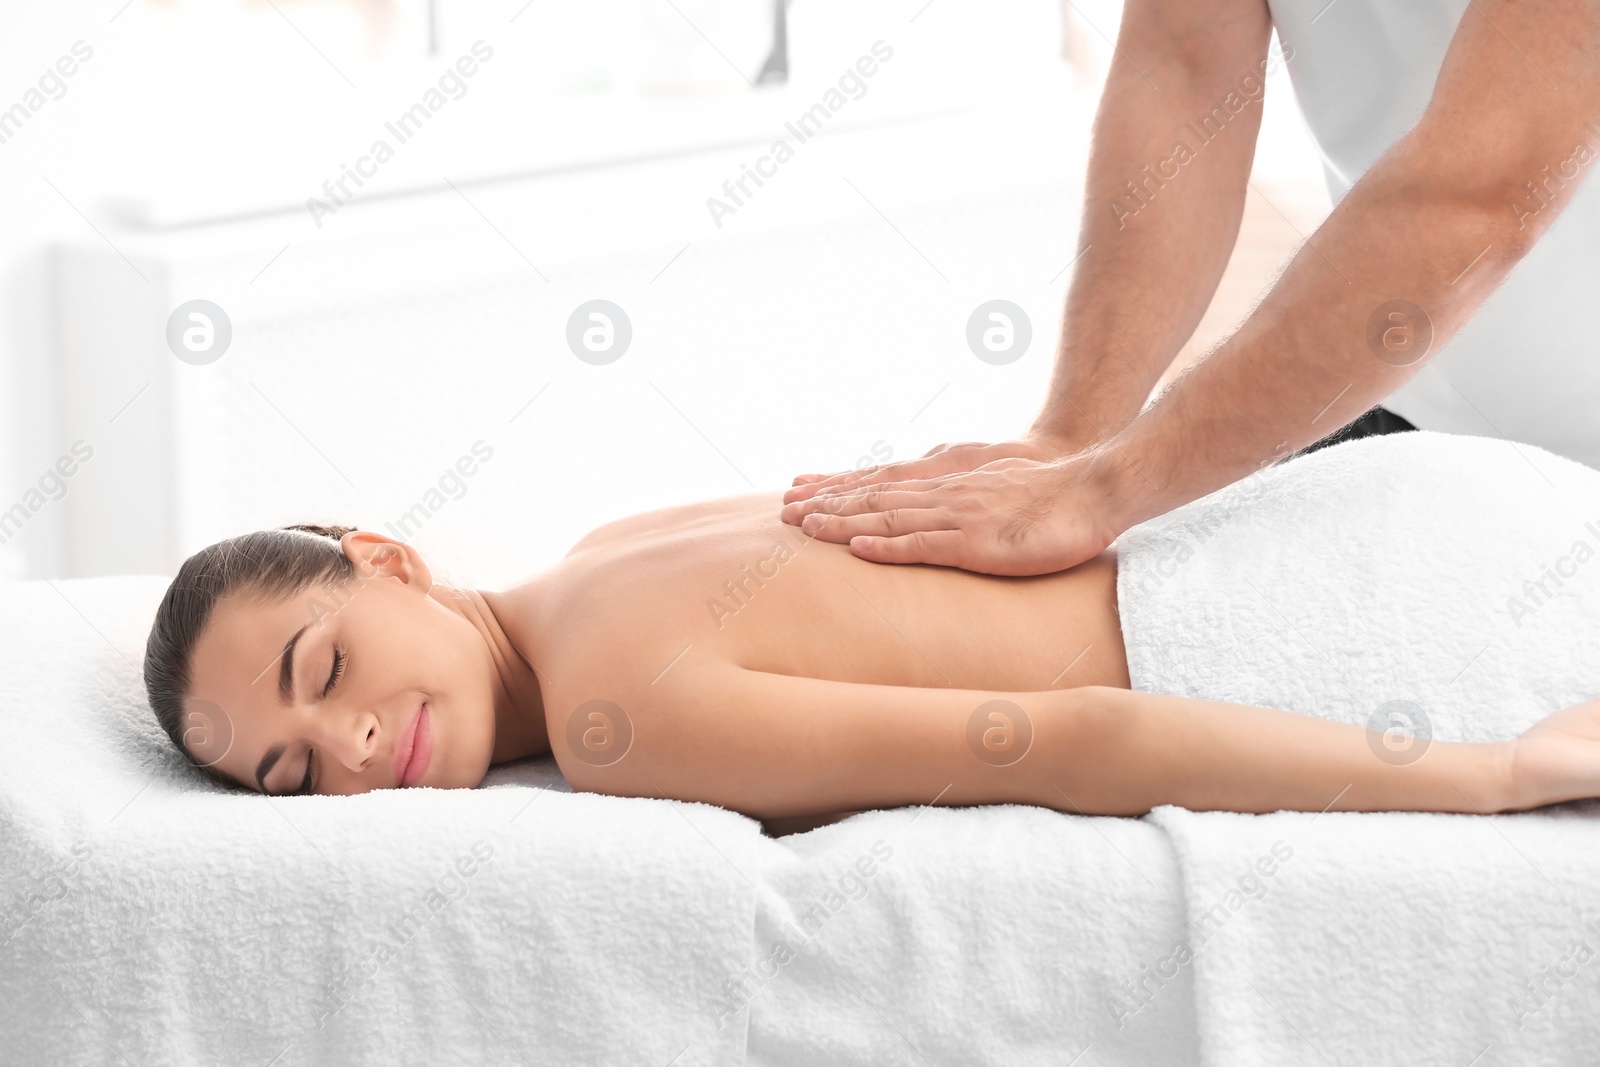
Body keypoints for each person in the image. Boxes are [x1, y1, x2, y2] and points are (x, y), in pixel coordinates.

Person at [143, 432, 1600, 831]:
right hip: (1397, 494)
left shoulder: (611, 715)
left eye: (319, 669)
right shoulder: (600, 558)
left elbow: (1070, 740)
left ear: (388, 558)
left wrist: (1493, 773)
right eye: (288, 772)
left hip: (1356, 613)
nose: (342, 742)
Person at [778, 0, 1600, 577]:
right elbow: (1184, 70)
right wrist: (1074, 439)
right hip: (1422, 424)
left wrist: (1108, 486)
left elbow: (1482, 186)